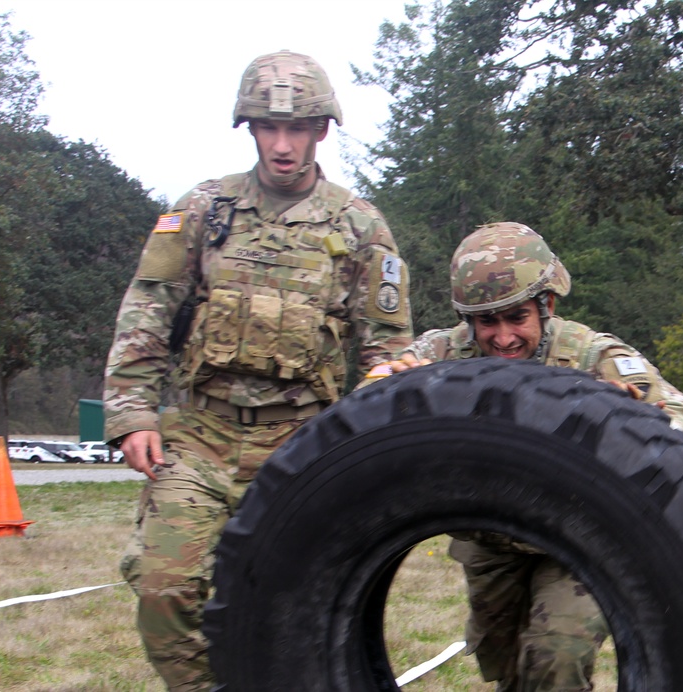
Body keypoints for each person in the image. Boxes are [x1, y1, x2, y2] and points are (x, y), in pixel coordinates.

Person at [103, 50, 413, 691]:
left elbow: (386, 351)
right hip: (199, 436)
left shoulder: (359, 226)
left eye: (297, 128)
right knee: (164, 588)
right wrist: (132, 410)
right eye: (268, 129)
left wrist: (369, 444)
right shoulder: (201, 210)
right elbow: (148, 308)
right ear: (248, 129)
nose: (282, 145)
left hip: (301, 445)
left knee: (306, 604)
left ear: (321, 130)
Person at [389, 221, 683, 691]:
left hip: (576, 537)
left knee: (557, 655)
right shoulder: (441, 354)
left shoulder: (591, 355)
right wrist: (393, 389)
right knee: (509, 668)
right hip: (491, 541)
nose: (502, 338)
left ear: (546, 306)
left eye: (516, 317)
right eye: (485, 322)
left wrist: (629, 420)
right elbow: (365, 414)